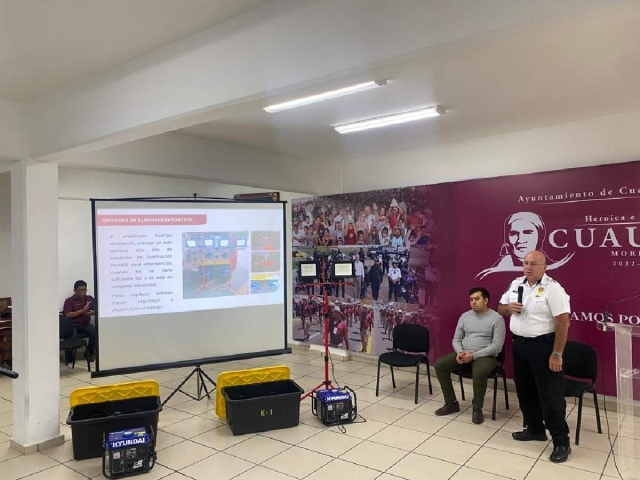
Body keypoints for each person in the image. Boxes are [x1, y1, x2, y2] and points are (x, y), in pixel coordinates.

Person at [497, 250, 572, 463]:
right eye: (526, 263)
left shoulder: (553, 288)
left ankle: (561, 442)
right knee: (525, 391)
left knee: (550, 396)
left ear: (544, 267)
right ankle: (535, 428)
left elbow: (562, 322)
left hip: (544, 347)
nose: (528, 267)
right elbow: (500, 308)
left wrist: (556, 354)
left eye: (534, 264)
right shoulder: (516, 284)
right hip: (519, 345)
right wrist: (508, 308)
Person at [434, 287, 505, 424]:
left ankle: (477, 408)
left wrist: (473, 355)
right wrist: (460, 352)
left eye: (477, 299)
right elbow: (456, 339)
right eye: (471, 299)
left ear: (486, 300)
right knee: (440, 365)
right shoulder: (465, 316)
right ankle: (451, 403)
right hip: (464, 353)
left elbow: (497, 346)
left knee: (479, 372)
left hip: (486, 356)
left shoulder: (496, 319)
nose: (473, 302)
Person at [476, 212, 574, 279]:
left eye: (527, 232)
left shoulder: (553, 269)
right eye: (514, 234)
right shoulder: (494, 273)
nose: (520, 240)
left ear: (540, 236)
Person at [62, 280, 96, 362]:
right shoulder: (69, 301)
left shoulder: (89, 298)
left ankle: (88, 353)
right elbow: (68, 314)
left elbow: (96, 309)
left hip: (85, 324)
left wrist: (94, 312)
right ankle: (69, 358)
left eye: (84, 290)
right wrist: (81, 311)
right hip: (73, 325)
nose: (82, 292)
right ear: (75, 291)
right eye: (80, 290)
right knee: (70, 337)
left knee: (95, 332)